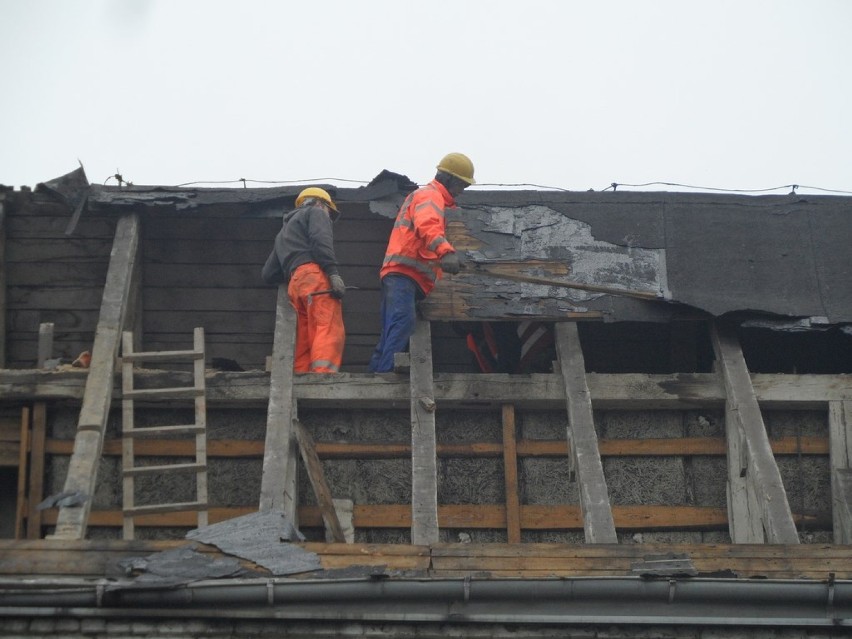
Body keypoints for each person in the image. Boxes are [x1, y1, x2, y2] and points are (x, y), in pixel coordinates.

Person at [367, 153, 475, 373]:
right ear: (450, 179)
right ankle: (385, 373)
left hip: (400, 274)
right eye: (461, 185)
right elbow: (427, 224)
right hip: (404, 274)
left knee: (392, 328)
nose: (461, 191)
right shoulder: (430, 195)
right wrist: (445, 252)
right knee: (403, 323)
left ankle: (376, 373)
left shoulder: (428, 196)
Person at [261, 187, 346, 373]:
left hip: (295, 283)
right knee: (327, 325)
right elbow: (320, 241)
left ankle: (302, 374)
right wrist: (332, 272)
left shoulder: (283, 232)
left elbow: (268, 274)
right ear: (319, 202)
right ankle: (323, 376)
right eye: (329, 211)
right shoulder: (316, 212)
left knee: (306, 333)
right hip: (313, 275)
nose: (329, 216)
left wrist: (294, 269)